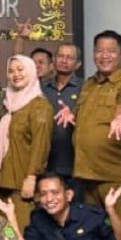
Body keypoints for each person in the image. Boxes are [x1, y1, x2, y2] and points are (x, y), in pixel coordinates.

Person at [71, 30, 121, 232]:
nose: (104, 56)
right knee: (93, 235)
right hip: (88, 175)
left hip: (116, 177)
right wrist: (72, 116)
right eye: (99, 51)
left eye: (111, 51)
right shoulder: (89, 84)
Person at [0, 55, 53, 229]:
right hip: (2, 181)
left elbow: (41, 145)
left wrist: (31, 177)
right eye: (11, 71)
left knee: (21, 232)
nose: (15, 74)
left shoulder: (39, 106)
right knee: (5, 234)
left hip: (23, 183)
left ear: (32, 72)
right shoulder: (8, 105)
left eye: (21, 70)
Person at [43, 43, 83, 184]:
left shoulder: (85, 88)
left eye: (70, 58)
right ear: (53, 60)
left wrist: (74, 116)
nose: (64, 60)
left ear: (78, 64)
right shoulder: (41, 87)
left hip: (74, 165)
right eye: (60, 56)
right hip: (45, 164)